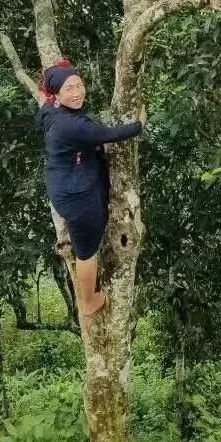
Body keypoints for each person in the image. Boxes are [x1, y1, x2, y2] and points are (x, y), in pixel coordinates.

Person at [37, 59, 143, 316]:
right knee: (86, 252)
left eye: (79, 85)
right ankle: (88, 302)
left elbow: (42, 95)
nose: (77, 93)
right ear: (58, 95)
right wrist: (139, 123)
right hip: (78, 200)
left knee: (82, 243)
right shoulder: (72, 125)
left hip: (62, 182)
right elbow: (107, 135)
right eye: (69, 89)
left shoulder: (50, 110)